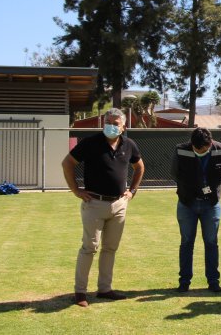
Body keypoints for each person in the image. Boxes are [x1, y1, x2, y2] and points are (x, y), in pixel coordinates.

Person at [61, 108, 145, 307]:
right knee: (89, 247)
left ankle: (104, 289)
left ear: (123, 126)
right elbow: (67, 163)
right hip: (94, 203)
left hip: (119, 204)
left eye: (116, 123)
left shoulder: (129, 145)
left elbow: (139, 167)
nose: (111, 126)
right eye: (108, 122)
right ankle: (80, 292)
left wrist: (132, 191)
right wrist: (76, 190)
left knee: (110, 248)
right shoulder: (90, 143)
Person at [173, 127, 221, 293]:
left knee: (212, 243)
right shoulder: (180, 150)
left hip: (211, 204)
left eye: (203, 149)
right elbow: (174, 172)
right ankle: (184, 282)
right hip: (187, 203)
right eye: (197, 149)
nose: (200, 151)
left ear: (210, 143)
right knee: (186, 243)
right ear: (191, 144)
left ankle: (213, 281)